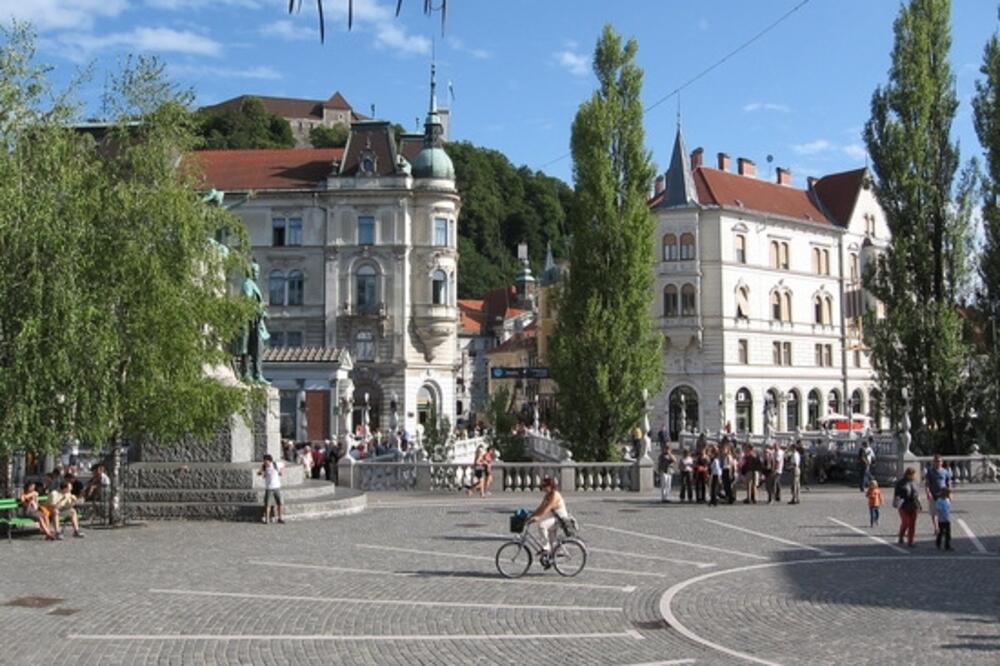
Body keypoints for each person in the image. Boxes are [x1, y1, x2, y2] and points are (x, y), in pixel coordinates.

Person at [525, 476, 569, 567]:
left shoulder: (555, 495)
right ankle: (555, 555)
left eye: (545, 486)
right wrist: (531, 515)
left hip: (560, 519)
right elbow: (541, 507)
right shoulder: (547, 495)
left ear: (551, 486)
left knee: (542, 526)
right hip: (553, 518)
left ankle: (546, 548)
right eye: (543, 486)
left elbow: (547, 508)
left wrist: (538, 517)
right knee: (552, 539)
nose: (543, 488)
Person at [924, 455, 952, 536]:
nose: (937, 463)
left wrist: (950, 493)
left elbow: (948, 483)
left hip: (943, 495)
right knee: (934, 513)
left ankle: (942, 528)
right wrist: (928, 492)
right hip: (933, 494)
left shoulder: (945, 471)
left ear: (942, 462)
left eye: (939, 461)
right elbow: (927, 484)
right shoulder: (930, 471)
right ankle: (936, 528)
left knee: (943, 513)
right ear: (933, 462)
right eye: (936, 461)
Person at [893, 467, 921, 547]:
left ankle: (910, 541)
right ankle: (901, 536)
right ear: (907, 474)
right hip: (904, 505)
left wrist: (919, 504)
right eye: (912, 474)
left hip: (914, 504)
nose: (913, 476)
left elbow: (917, 494)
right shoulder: (900, 483)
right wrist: (896, 502)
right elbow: (896, 495)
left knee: (912, 524)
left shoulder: (915, 482)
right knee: (906, 522)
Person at [258, 454, 285, 524]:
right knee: (267, 504)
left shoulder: (275, 464)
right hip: (269, 488)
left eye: (266, 461)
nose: (265, 462)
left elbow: (283, 464)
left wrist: (281, 471)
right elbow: (259, 472)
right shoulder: (264, 466)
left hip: (277, 487)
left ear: (270, 461)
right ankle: (267, 519)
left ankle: (280, 518)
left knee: (280, 503)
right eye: (264, 461)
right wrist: (261, 473)